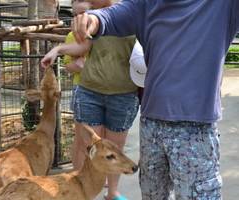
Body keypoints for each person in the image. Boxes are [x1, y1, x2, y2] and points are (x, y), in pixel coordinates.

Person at [69, 1, 239, 199]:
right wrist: (91, 18)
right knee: (153, 195)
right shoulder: (147, 4)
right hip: (152, 125)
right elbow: (109, 16)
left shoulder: (223, 5)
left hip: (197, 127)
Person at [41, 1, 140, 199]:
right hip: (89, 91)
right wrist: (58, 50)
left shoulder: (135, 11)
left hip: (124, 94)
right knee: (85, 145)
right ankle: (79, 192)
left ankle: (113, 193)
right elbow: (84, 44)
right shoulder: (95, 15)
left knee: (115, 148)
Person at [63, 0, 92, 171]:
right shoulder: (71, 35)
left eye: (82, 13)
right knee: (81, 136)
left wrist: (85, 64)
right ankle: (77, 174)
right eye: (74, 14)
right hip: (80, 87)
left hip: (100, 88)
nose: (77, 19)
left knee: (99, 135)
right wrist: (81, 65)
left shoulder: (102, 33)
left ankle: (96, 174)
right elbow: (68, 65)